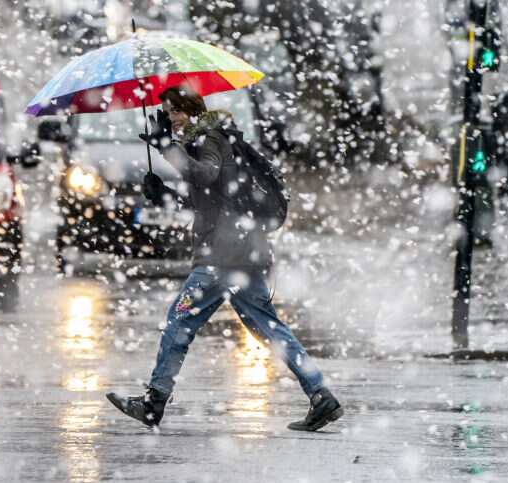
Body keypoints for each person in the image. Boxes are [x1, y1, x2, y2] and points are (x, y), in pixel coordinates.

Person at [106, 84, 343, 432]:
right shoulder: (206, 142)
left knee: (180, 321)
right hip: (242, 250)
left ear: (192, 110)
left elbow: (206, 175)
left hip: (223, 254)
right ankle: (321, 395)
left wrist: (165, 147)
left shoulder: (211, 139)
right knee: (268, 327)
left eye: (175, 112)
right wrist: (164, 195)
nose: (170, 119)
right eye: (167, 113)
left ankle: (155, 402)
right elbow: (209, 201)